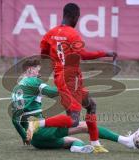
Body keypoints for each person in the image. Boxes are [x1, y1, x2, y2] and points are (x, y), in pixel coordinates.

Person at [28, 3, 117, 153]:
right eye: (78, 17)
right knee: (74, 120)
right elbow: (83, 54)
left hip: (66, 79)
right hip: (69, 80)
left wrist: (43, 73)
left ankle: (95, 144)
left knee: (91, 106)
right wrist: (105, 53)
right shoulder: (72, 34)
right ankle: (38, 124)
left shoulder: (50, 33)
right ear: (75, 16)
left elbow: (44, 54)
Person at [11, 59, 139, 153]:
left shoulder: (16, 88)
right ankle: (126, 141)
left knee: (73, 141)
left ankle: (77, 148)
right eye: (37, 71)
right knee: (83, 125)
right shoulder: (33, 81)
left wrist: (25, 137)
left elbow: (14, 119)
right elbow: (55, 93)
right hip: (41, 131)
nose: (39, 74)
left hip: (36, 141)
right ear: (29, 70)